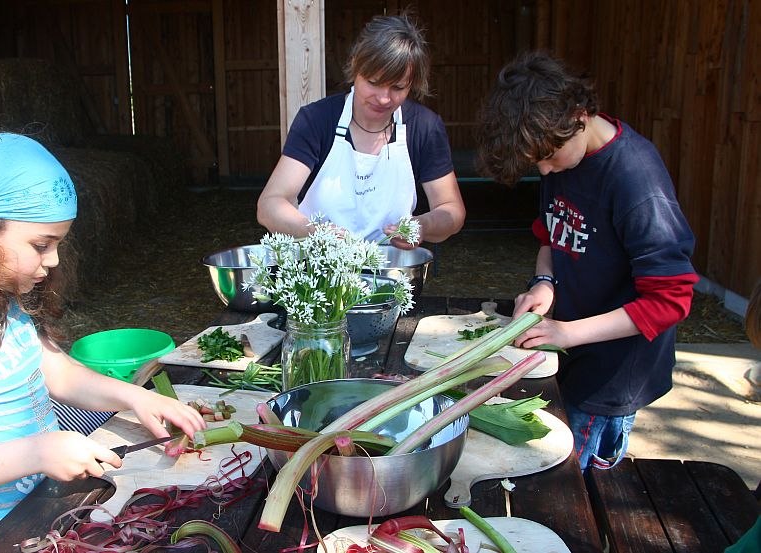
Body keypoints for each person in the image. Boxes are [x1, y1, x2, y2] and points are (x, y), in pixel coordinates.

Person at [0, 131, 206, 552]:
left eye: (57, 245)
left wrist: (135, 397)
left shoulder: (1, 303)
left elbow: (60, 373)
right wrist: (37, 452)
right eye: (40, 245)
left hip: (46, 512)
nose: (52, 261)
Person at [476, 52, 699, 472]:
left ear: (579, 114)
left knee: (567, 485)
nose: (543, 169)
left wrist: (565, 331)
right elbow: (551, 233)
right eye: (535, 162)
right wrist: (545, 282)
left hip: (614, 372)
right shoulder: (560, 148)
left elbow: (671, 300)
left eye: (548, 156)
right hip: (573, 351)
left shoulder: (636, 180)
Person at [256, 13, 465, 249]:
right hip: (319, 271)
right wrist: (316, 233)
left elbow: (452, 210)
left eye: (397, 87)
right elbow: (269, 204)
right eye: (374, 82)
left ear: (412, 83)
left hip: (391, 275)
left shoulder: (424, 127)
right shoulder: (317, 120)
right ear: (356, 66)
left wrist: (422, 225)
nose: (384, 98)